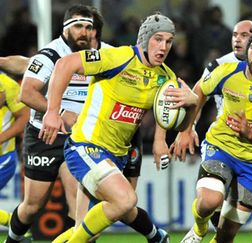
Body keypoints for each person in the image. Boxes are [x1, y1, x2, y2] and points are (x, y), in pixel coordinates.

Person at [39, 12, 197, 243]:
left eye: (169, 41)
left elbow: (169, 116)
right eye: (158, 39)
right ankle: (155, 236)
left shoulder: (166, 78)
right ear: (145, 38)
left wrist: (190, 107)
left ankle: (157, 237)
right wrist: (52, 112)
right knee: (124, 200)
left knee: (86, 230)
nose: (163, 47)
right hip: (86, 146)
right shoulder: (117, 57)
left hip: (117, 155)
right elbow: (65, 64)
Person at [179, 28, 252, 243]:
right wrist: (187, 129)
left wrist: (248, 132)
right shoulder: (228, 72)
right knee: (208, 202)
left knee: (226, 235)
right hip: (221, 147)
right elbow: (200, 90)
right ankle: (199, 228)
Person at [5, 5, 95, 243]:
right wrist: (58, 112)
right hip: (44, 136)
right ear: (65, 30)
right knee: (33, 206)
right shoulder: (51, 55)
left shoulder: (95, 55)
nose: (84, 33)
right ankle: (13, 239)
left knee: (79, 203)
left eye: (88, 27)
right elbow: (27, 93)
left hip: (76, 138)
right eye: (78, 26)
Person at [0, 73, 29, 226]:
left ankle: (16, 226)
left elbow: (25, 116)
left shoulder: (8, 85)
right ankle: (16, 226)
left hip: (2, 158)